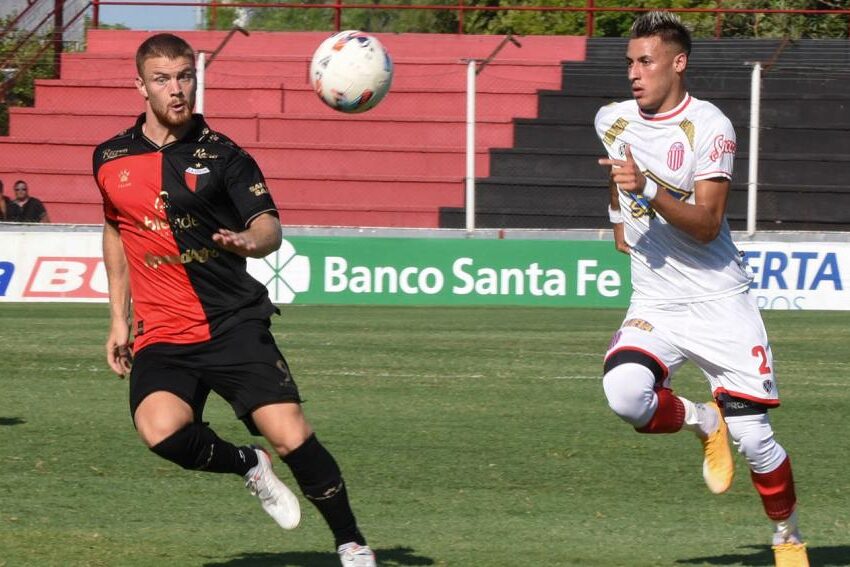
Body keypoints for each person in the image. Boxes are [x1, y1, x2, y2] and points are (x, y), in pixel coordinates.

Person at [91, 33, 376, 567]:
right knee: (160, 432)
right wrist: (117, 320)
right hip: (164, 331)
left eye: (184, 76)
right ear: (140, 87)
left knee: (292, 437)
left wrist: (250, 241)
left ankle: (351, 542)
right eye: (162, 79)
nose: (176, 90)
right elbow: (115, 230)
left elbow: (269, 226)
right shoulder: (110, 158)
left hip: (231, 323)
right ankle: (248, 464)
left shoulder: (225, 155)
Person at [594, 12, 808, 567]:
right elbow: (621, 191)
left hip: (719, 300)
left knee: (757, 441)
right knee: (625, 395)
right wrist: (624, 213)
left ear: (678, 63)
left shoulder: (711, 127)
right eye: (629, 63)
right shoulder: (611, 120)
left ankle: (787, 536)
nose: (634, 74)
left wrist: (649, 190)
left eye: (646, 62)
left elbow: (709, 223)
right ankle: (701, 419)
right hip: (656, 301)